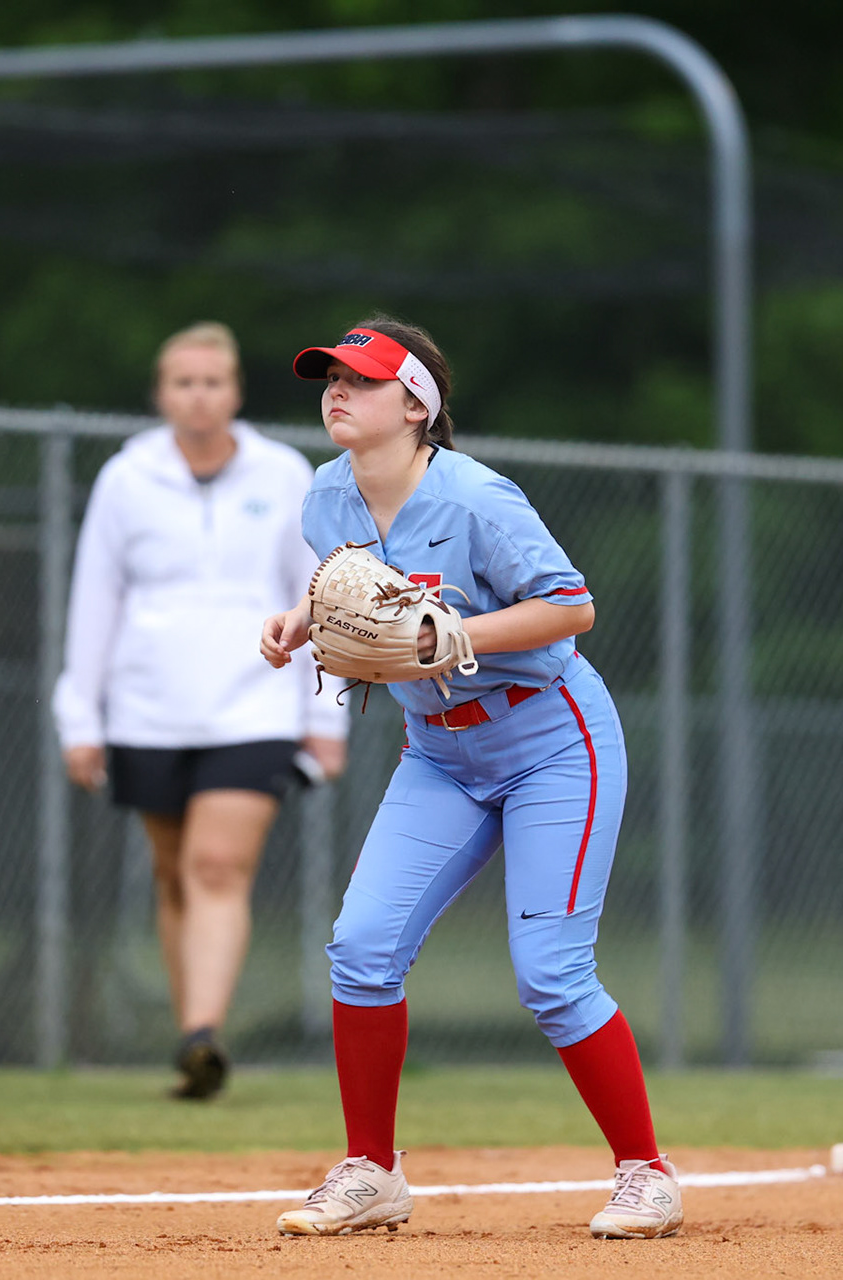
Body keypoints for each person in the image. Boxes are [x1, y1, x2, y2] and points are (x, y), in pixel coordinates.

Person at [259, 318, 683, 1239]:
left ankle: (646, 1174)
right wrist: (300, 618)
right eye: (328, 377)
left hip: (551, 742)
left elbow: (573, 606)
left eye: (360, 380)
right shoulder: (325, 498)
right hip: (440, 753)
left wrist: (460, 634)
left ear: (417, 405)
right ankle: (373, 1171)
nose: (335, 390)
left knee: (552, 975)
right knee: (362, 947)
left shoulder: (478, 499)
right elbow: (351, 586)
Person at [54, 321, 347, 1100]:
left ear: (235, 392)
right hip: (146, 709)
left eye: (213, 381)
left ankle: (201, 1034)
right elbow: (95, 601)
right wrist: (80, 717)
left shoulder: (282, 474)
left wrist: (328, 714)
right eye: (183, 382)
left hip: (255, 705)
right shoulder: (128, 477)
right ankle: (195, 1040)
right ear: (162, 394)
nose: (199, 396)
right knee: (173, 872)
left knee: (217, 865)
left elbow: (316, 592)